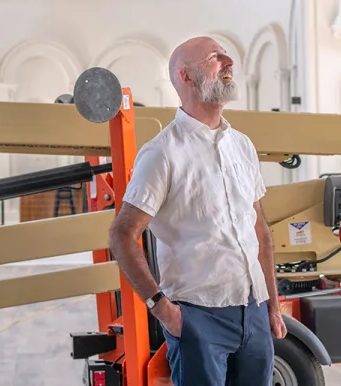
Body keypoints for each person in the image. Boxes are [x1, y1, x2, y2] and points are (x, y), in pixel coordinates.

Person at [108, 36, 286, 386]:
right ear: (186, 76)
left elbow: (259, 231)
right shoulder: (162, 153)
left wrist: (273, 304)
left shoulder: (242, 146)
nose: (228, 62)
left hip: (254, 310)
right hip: (196, 316)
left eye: (226, 56)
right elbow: (122, 234)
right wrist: (163, 309)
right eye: (215, 58)